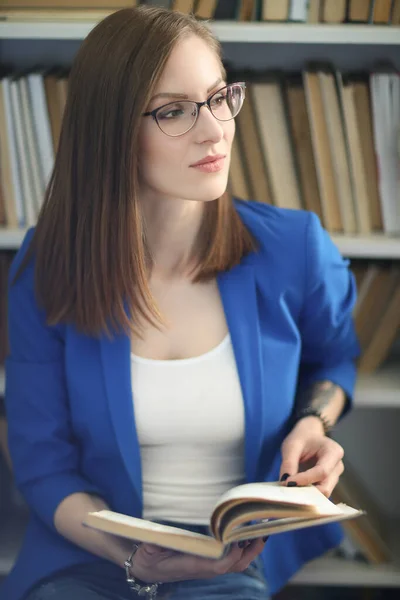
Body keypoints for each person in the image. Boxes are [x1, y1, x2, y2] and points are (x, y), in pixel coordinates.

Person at [0, 5, 360, 600]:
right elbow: (43, 467)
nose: (215, 129)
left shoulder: (292, 248)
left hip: (231, 560)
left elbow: (334, 361)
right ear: (110, 132)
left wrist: (314, 421)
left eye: (220, 97)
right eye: (174, 111)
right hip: (87, 556)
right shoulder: (49, 265)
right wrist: (133, 559)